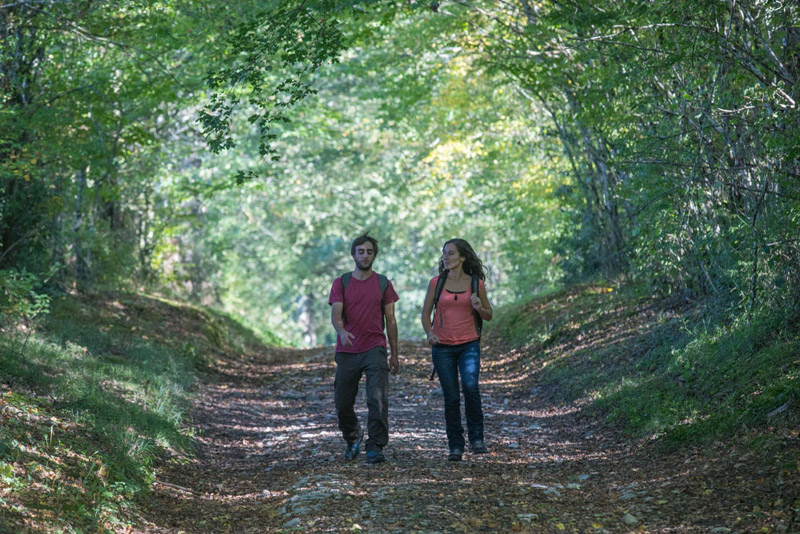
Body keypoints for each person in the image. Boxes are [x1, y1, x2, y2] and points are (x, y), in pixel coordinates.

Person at [329, 233, 400, 464]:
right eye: (361, 251)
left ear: (374, 255)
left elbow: (390, 320)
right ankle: (353, 436)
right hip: (347, 349)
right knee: (342, 402)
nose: (365, 255)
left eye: (369, 252)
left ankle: (375, 446)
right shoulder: (342, 282)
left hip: (375, 347)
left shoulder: (383, 283)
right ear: (353, 254)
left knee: (377, 399)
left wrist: (394, 354)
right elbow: (336, 315)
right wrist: (341, 332)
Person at [421, 238, 493, 461]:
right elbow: (425, 314)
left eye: (451, 253)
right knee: (451, 397)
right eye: (444, 253)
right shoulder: (436, 283)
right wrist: (429, 333)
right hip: (442, 347)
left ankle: (477, 439)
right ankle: (455, 445)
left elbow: (489, 315)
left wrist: (480, 308)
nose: (446, 257)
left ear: (463, 257)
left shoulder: (476, 284)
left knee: (471, 389)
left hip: (469, 344)